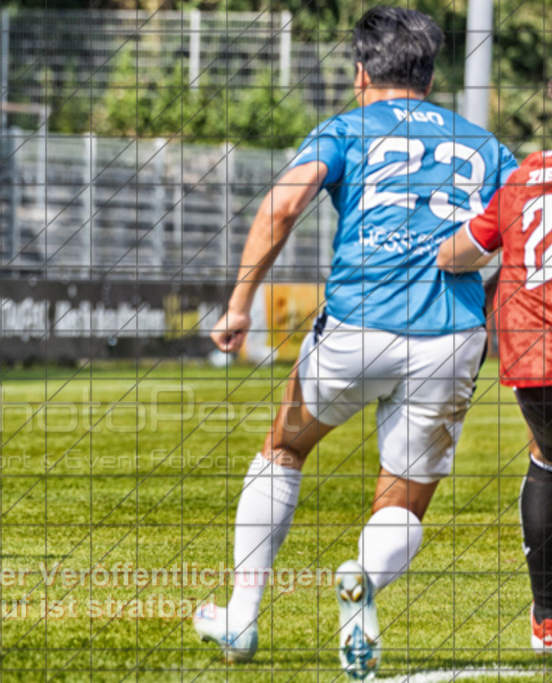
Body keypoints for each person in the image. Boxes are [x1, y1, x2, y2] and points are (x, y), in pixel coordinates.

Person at [193, 6, 518, 678]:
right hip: (450, 335)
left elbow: (282, 205)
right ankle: (361, 579)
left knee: (283, 447)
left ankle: (242, 615)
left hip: (356, 327)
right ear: (429, 75)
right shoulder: (484, 146)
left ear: (361, 70)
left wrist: (238, 305)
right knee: (402, 499)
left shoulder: (346, 128)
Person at [437, 74, 552, 654]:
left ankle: (548, 619)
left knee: (549, 461)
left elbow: (460, 251)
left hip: (532, 353)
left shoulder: (524, 176)